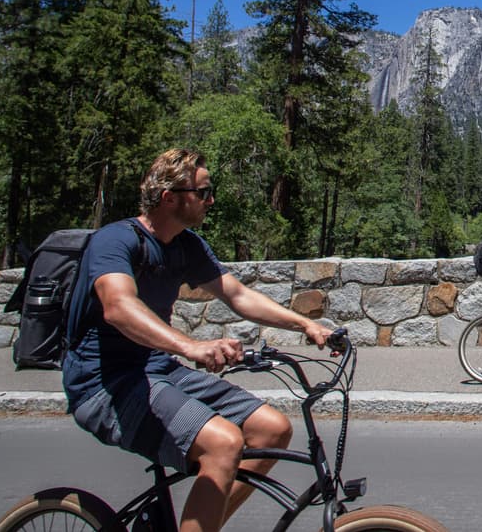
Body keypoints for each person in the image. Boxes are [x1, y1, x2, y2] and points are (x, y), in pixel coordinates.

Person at [61, 148, 332, 532]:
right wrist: (190, 346)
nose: (211, 200)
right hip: (105, 383)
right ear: (170, 197)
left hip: (157, 371)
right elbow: (118, 307)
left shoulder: (186, 245)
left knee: (272, 429)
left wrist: (305, 325)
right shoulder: (115, 241)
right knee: (223, 443)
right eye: (203, 192)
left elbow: (237, 295)